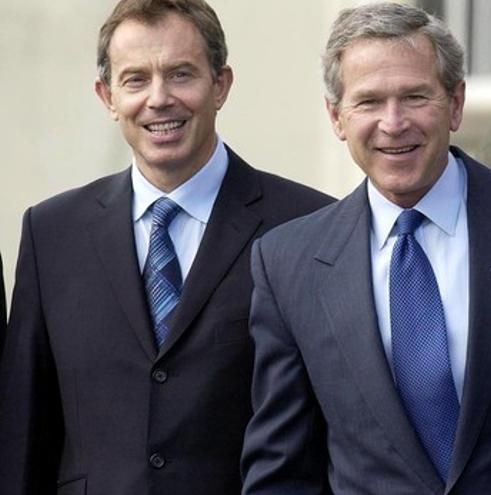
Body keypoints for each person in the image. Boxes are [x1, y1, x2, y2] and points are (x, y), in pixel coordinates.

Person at [240, 3, 491, 494]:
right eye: (369, 102)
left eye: (415, 96)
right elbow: (282, 469)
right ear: (336, 117)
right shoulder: (288, 263)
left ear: (455, 103)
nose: (394, 122)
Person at [0, 1, 333, 494]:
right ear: (107, 95)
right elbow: (25, 432)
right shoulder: (51, 233)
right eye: (135, 79)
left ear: (220, 85)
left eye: (181, 74)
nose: (159, 99)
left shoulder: (307, 225)